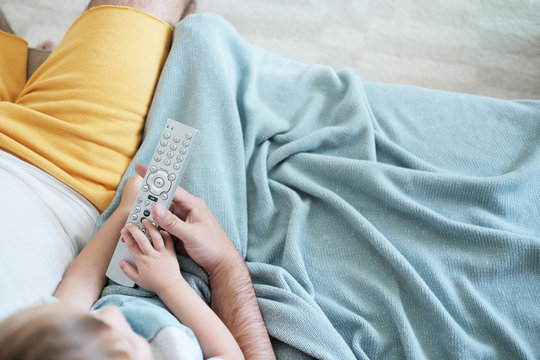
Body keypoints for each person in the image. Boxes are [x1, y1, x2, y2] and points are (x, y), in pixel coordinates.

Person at [0, 0, 275, 359]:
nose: (108, 312)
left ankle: (42, 64)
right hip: (59, 172)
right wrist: (183, 278)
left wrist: (125, 211)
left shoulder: (49, 340)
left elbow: (75, 292)